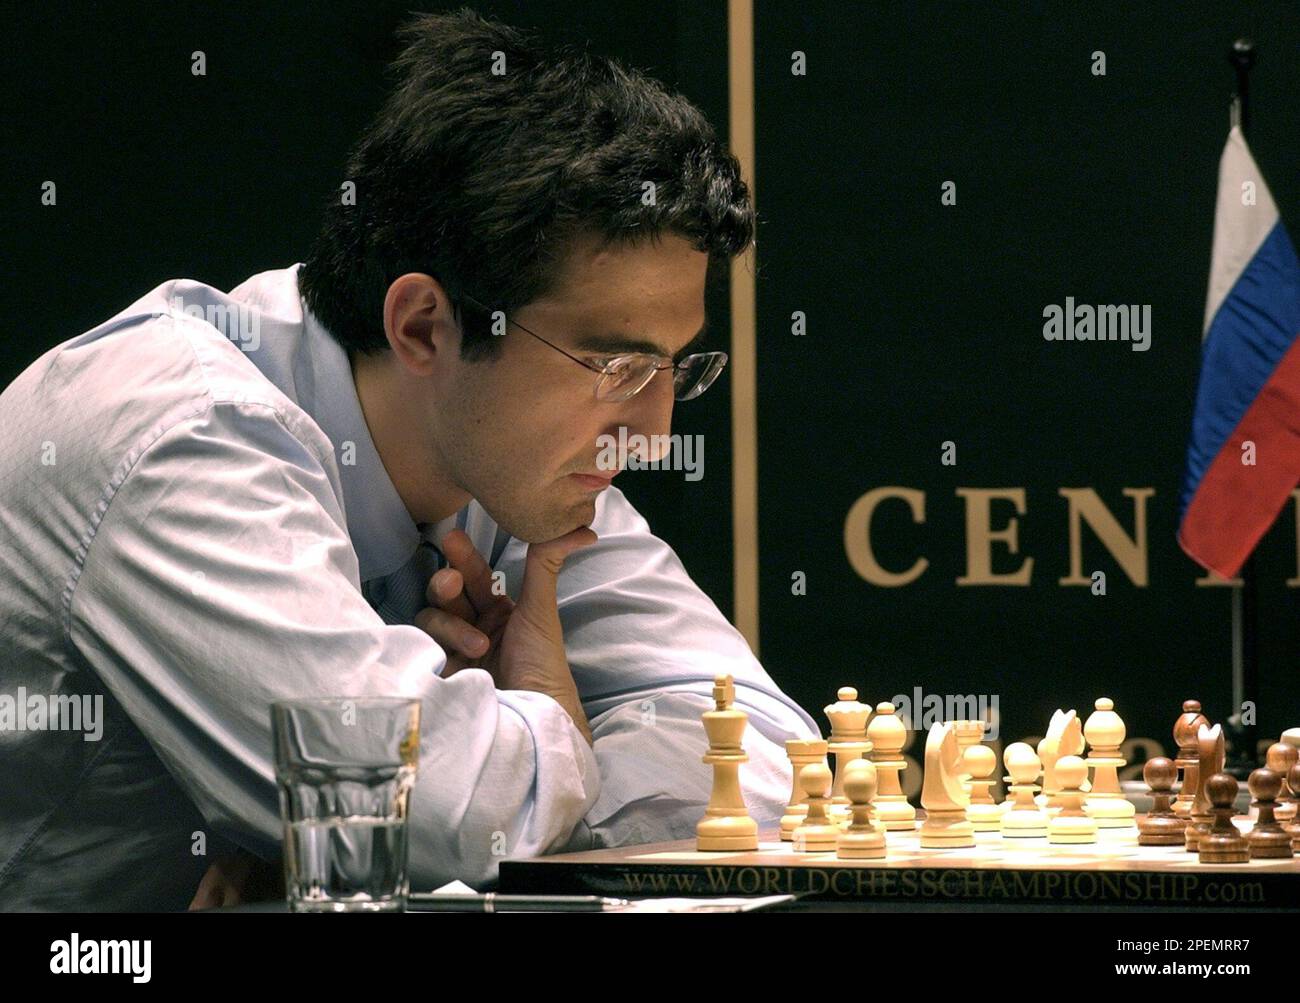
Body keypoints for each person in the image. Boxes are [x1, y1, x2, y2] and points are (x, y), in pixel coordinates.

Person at [0, 9, 817, 910]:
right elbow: (439, 810)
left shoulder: (510, 464)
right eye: (618, 367)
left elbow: (770, 749)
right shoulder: (181, 434)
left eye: (673, 367)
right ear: (425, 325)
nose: (653, 434)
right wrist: (540, 716)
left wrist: (505, 736)